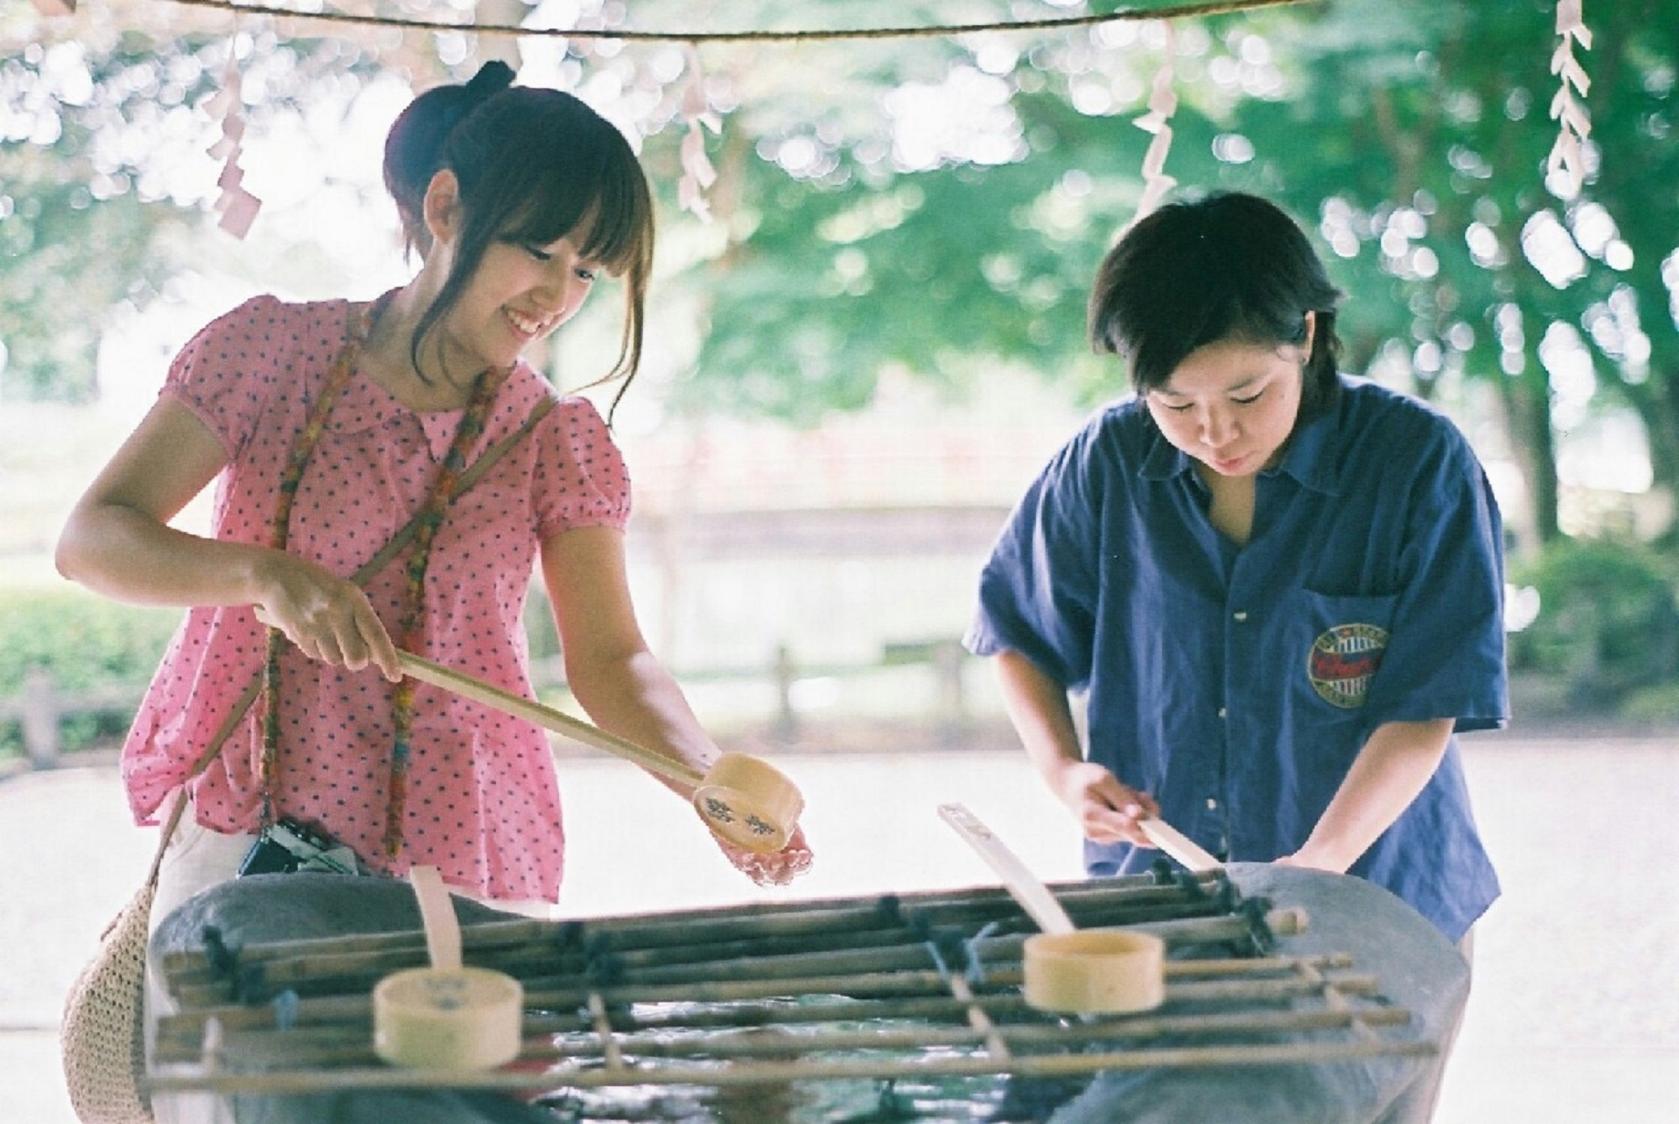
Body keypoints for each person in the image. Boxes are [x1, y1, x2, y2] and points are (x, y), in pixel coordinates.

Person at [57, 59, 812, 1029]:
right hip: (252, 833)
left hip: (458, 853)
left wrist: (703, 778)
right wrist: (260, 575)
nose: (558, 294)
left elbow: (613, 657)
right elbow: (93, 537)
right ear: (447, 206)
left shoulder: (555, 441)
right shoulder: (267, 355)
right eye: (540, 250)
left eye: (587, 271)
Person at [965, 191, 1503, 947]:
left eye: (1247, 393)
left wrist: (1320, 862)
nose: (1214, 431)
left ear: (1307, 336)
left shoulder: (1415, 463)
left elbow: (1426, 703)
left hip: (1380, 894)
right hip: (1157, 901)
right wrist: (1064, 771)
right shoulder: (1105, 463)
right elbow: (1017, 632)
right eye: (1173, 404)